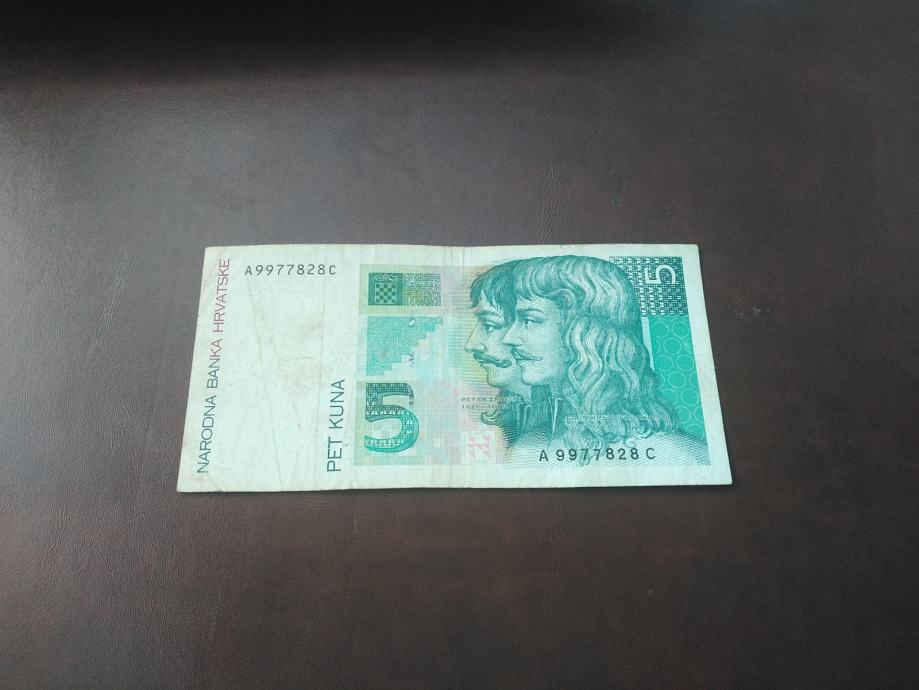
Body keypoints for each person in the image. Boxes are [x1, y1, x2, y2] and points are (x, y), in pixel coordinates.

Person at [502, 255, 705, 463]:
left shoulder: (680, 456)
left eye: (529, 319)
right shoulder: (525, 449)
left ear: (582, 333)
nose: (508, 338)